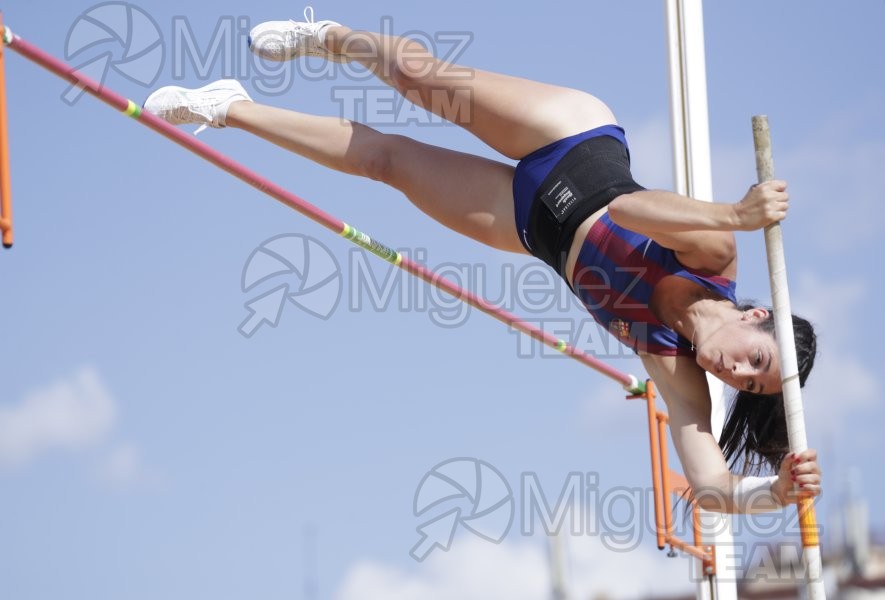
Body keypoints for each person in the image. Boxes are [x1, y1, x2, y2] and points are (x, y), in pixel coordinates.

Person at [144, 8, 821, 513]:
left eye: (749, 386)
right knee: (420, 79)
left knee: (389, 164)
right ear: (756, 315)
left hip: (532, 226)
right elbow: (628, 214)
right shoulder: (715, 254)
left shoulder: (677, 373)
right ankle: (331, 39)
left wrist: (772, 494)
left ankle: (229, 107)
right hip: (571, 140)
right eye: (754, 360)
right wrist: (734, 214)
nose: (732, 371)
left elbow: (707, 488)